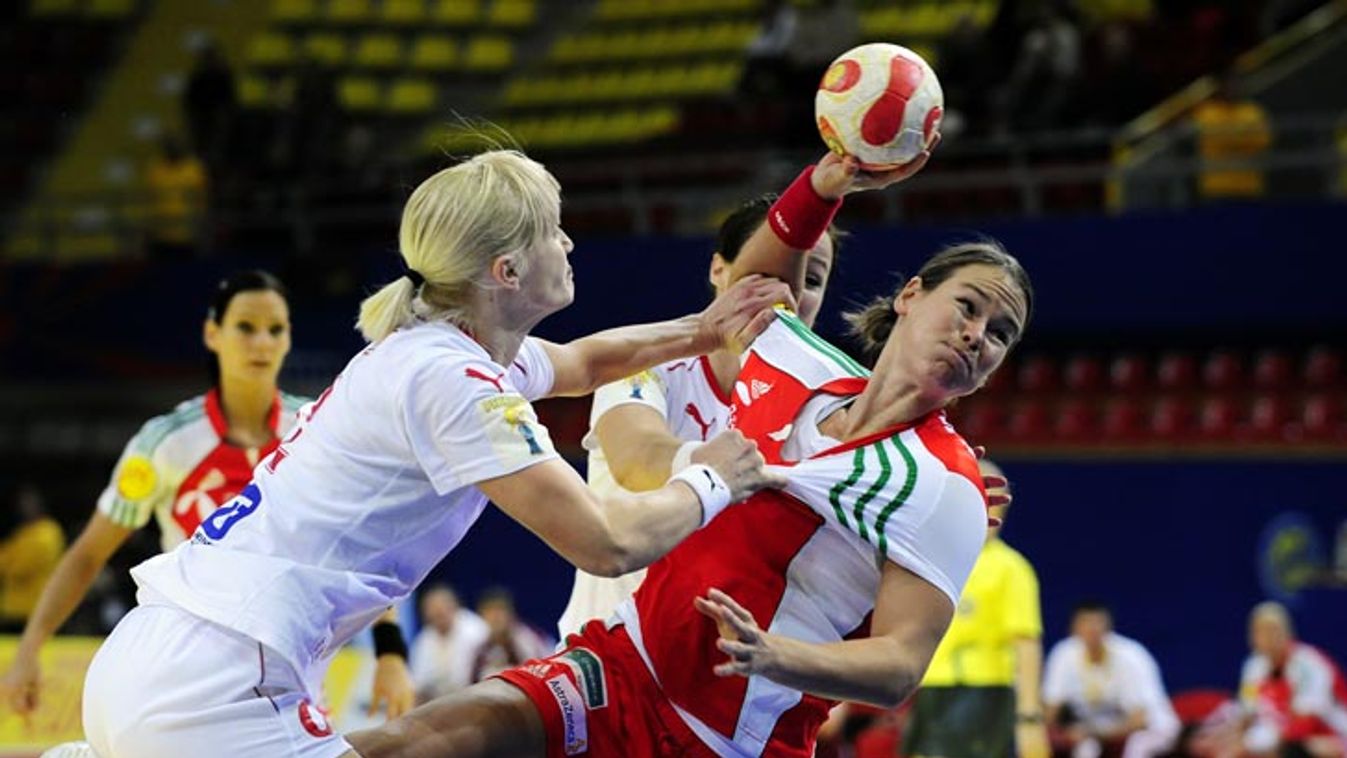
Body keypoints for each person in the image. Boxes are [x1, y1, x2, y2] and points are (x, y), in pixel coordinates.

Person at [78, 149, 790, 758]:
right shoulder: (453, 382)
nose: (570, 244)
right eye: (553, 231)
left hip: (157, 658)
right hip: (218, 686)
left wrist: (704, 330)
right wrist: (713, 476)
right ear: (506, 271)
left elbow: (580, 362)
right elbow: (605, 544)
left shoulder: (438, 352)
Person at [347, 147, 1037, 758]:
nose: (978, 335)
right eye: (968, 308)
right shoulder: (792, 364)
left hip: (725, 739)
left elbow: (899, 665)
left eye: (1000, 333)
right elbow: (660, 430)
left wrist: (776, 655)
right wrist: (821, 187)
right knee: (410, 744)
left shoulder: (944, 484)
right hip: (617, 663)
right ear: (911, 296)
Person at [0, 271, 416, 725]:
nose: (261, 342)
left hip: (291, 662)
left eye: (275, 329)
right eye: (245, 327)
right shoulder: (165, 443)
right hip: (187, 658)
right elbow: (87, 556)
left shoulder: (315, 427)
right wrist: (28, 649)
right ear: (212, 333)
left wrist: (390, 653)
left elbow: (355, 548)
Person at [556, 195, 842, 638]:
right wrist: (736, 473)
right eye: (766, 274)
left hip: (728, 679)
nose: (784, 295)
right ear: (717, 269)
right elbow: (638, 459)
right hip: (605, 654)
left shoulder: (822, 409)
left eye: (812, 280)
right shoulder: (649, 362)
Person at [904, 458, 1050, 758]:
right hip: (933, 687)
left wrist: (1029, 714)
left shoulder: (1010, 568)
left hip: (982, 690)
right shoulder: (936, 559)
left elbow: (1026, 644)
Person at [1195, 602, 1347, 758]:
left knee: (1296, 749)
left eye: (1274, 630)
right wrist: (1227, 742)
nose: (1268, 638)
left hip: (1332, 736)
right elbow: (1248, 715)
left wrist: (1254, 746)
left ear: (1288, 632)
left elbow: (1306, 722)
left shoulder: (1310, 664)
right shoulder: (1253, 667)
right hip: (1280, 738)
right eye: (1260, 632)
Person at [1042, 602, 1180, 758]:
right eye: (1086, 624)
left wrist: (1094, 733)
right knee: (1086, 747)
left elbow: (1140, 720)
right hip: (1103, 727)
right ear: (1074, 629)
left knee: (1137, 746)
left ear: (1108, 628)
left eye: (1097, 624)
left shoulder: (1131, 656)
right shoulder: (1064, 653)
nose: (1092, 631)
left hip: (1153, 728)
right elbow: (1051, 709)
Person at [0, 484, 66, 634]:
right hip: (12, 611)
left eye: (29, 502)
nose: (24, 507)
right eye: (22, 503)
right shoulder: (22, 533)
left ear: (39, 504)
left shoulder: (48, 531)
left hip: (33, 611)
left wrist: (9, 562)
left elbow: (18, 569)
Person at [408, 585, 489, 703]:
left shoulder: (476, 630)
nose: (437, 614)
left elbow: (479, 675)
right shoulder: (424, 639)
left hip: (474, 699)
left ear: (453, 606)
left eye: (441, 610)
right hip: (438, 703)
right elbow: (417, 682)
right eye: (432, 611)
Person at [471, 587, 552, 683]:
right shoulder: (481, 648)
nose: (495, 617)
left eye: (500, 611)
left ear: (511, 613)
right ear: (481, 615)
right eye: (489, 612)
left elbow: (544, 675)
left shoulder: (528, 639)